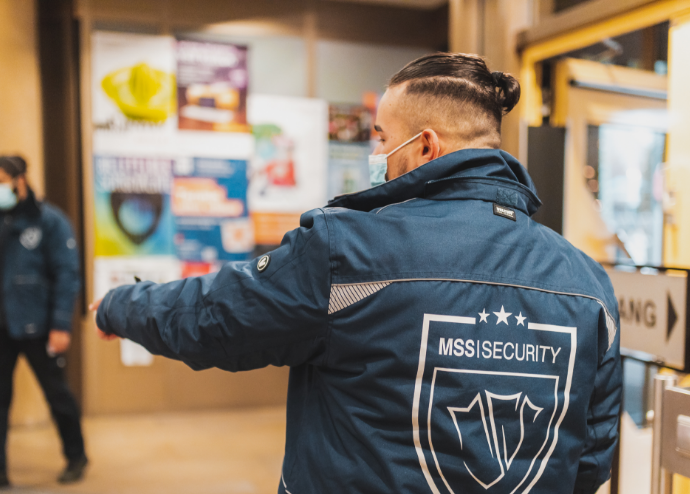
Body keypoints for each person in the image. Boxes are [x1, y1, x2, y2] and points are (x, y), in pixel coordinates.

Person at [91, 53, 621, 494]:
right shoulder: (587, 283)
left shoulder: (348, 251)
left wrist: (119, 306)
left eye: (381, 137)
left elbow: (217, 316)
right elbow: (592, 455)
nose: (375, 153)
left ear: (426, 146)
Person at [0, 156, 87, 492]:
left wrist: (61, 325)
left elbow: (67, 275)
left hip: (37, 326)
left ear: (20, 180)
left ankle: (76, 457)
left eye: (0, 181)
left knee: (57, 396)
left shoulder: (50, 221)